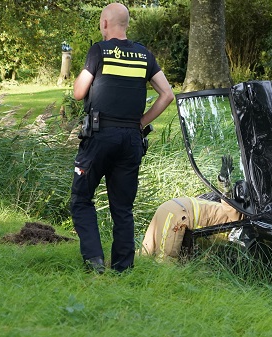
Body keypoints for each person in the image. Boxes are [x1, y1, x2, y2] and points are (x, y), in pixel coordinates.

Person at [70, 3, 174, 273]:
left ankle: (94, 261)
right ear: (125, 24)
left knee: (81, 199)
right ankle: (123, 269)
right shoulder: (144, 55)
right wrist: (142, 122)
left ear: (105, 23)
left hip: (99, 135)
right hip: (131, 139)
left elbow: (79, 92)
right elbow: (167, 94)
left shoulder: (99, 51)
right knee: (123, 208)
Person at [139, 197, 242, 260]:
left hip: (171, 207)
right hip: (178, 216)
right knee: (166, 261)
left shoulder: (223, 209)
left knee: (146, 252)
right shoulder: (239, 217)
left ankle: (127, 270)